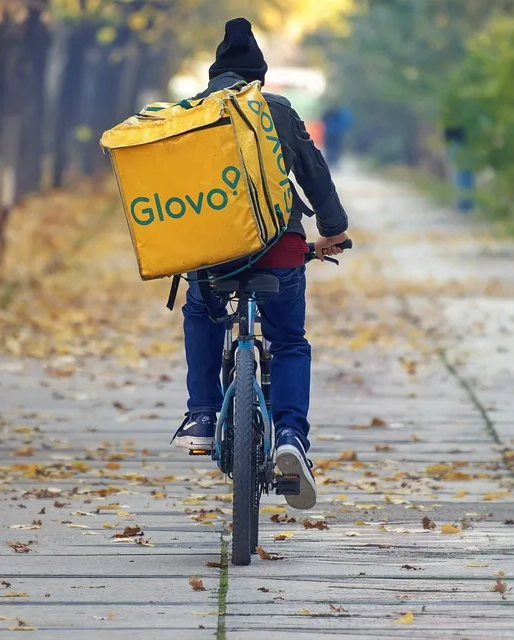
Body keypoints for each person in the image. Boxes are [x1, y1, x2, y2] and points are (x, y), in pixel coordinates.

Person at [170, 18, 350, 510]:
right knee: (289, 340)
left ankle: (203, 414)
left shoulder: (191, 116)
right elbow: (315, 174)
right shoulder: (276, 111)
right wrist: (332, 230)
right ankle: (291, 435)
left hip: (214, 255)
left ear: (214, 77)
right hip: (280, 248)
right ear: (259, 79)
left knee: (201, 311)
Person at [321, 104, 353, 169]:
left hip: (329, 133)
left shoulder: (329, 113)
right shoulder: (342, 114)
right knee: (336, 148)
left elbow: (323, 120)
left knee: (330, 147)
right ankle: (334, 162)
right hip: (338, 134)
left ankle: (330, 161)